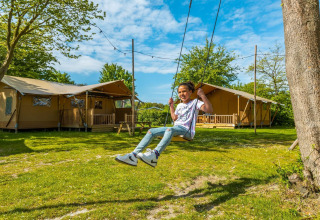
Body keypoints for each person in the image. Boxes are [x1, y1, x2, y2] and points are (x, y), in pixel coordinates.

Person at [115, 81, 213, 168]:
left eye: (184, 91)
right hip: (176, 128)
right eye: (179, 92)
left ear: (190, 92)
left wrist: (202, 95)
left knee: (169, 130)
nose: (181, 94)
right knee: (151, 131)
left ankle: (154, 156)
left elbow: (209, 110)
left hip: (187, 131)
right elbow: (174, 117)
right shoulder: (179, 105)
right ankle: (133, 156)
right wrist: (171, 106)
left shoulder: (195, 102)